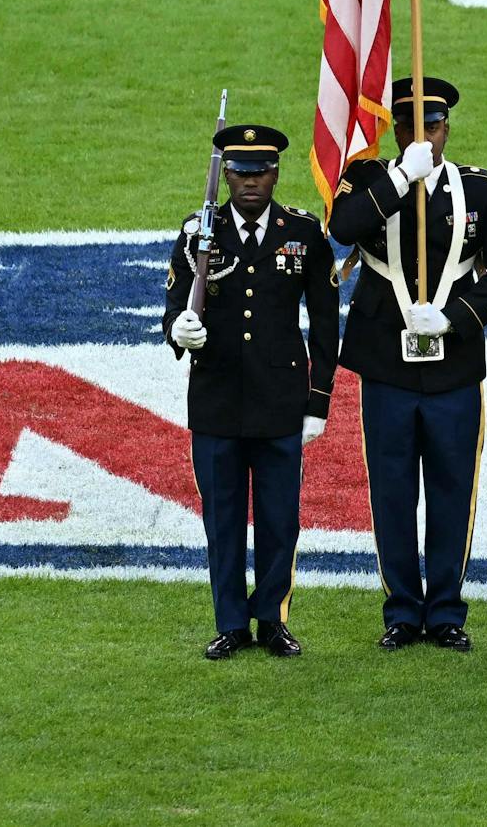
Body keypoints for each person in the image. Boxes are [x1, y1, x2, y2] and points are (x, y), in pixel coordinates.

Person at [328, 77, 487, 653]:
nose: (424, 135)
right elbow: (342, 230)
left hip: (454, 365)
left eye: (433, 126)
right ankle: (401, 610)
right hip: (385, 361)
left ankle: (445, 610)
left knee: (451, 488)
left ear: (447, 128)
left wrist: (459, 316)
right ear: (398, 131)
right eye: (410, 126)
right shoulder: (369, 179)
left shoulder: (480, 190)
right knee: (390, 490)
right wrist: (400, 176)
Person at [164, 123, 338, 660]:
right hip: (216, 400)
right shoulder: (199, 232)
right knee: (222, 519)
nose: (249, 182)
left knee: (279, 518)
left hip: (280, 400)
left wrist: (319, 400)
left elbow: (327, 324)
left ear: (276, 172)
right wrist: (179, 329)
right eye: (239, 172)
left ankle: (273, 619)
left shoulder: (303, 233)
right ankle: (230, 623)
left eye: (260, 171)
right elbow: (173, 302)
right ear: (229, 175)